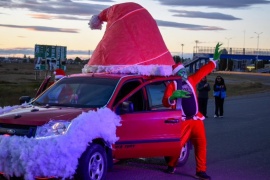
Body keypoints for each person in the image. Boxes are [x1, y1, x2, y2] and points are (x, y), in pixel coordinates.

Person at [162, 43, 223, 180]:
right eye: (181, 72)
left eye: (184, 71)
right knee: (177, 145)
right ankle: (171, 165)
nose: (184, 73)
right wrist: (173, 96)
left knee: (201, 144)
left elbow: (202, 72)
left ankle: (200, 170)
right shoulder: (172, 85)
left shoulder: (191, 80)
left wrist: (214, 61)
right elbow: (165, 101)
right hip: (182, 120)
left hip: (196, 119)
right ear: (176, 74)